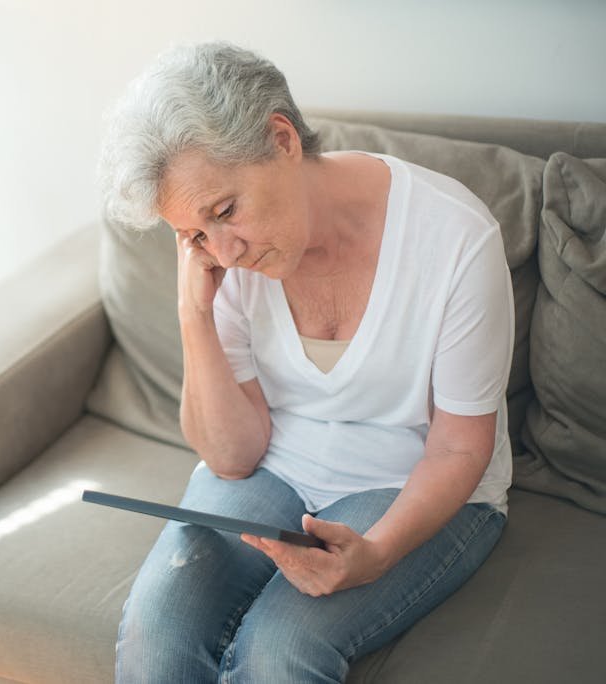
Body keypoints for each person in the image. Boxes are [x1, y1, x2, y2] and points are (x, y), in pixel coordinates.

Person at [97, 42, 513, 683]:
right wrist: (195, 317)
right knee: (158, 636)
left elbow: (460, 447)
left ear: (282, 139)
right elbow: (232, 457)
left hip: (415, 481)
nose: (224, 251)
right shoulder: (222, 261)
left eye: (225, 211)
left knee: (277, 651)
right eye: (194, 235)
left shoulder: (455, 237)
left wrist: (376, 553)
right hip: (277, 471)